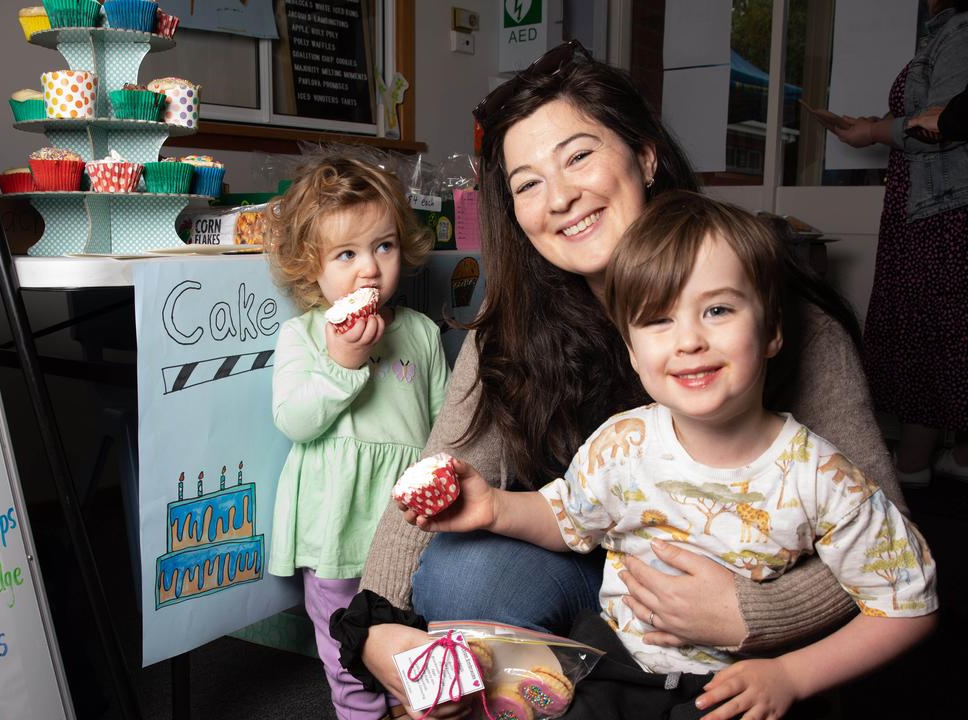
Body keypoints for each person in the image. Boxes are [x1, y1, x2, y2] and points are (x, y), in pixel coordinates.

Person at [334, 42, 907, 719]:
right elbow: (443, 478)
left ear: (645, 155)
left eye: (578, 155)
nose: (561, 197)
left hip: (751, 601)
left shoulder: (783, 321)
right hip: (604, 586)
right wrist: (374, 626)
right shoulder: (518, 327)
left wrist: (753, 612)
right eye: (527, 183)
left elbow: (887, 537)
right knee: (469, 570)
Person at [404, 191, 938, 720]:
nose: (689, 340)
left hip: (737, 687)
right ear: (633, 351)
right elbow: (568, 518)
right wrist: (494, 507)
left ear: (772, 329)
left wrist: (793, 676)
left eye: (718, 309)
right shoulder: (623, 444)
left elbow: (907, 607)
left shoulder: (821, 477)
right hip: (620, 666)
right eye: (659, 320)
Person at [265, 155, 448, 719]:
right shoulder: (304, 335)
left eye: (383, 247)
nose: (369, 268)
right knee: (347, 648)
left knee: (409, 629)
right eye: (346, 254)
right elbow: (295, 420)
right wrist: (344, 361)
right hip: (334, 524)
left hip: (405, 524)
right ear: (310, 266)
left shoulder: (420, 332)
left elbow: (446, 423)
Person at [828, 0, 968, 487]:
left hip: (942, 211)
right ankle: (944, 460)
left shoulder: (960, 31)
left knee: (929, 330)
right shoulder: (945, 31)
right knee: (940, 329)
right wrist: (874, 126)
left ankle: (911, 465)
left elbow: (943, 126)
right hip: (935, 205)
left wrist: (872, 131)